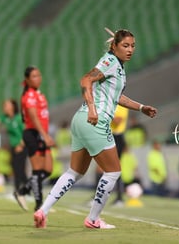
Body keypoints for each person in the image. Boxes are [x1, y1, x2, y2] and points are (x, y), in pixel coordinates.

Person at [33, 28, 157, 229]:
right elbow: (85, 80)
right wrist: (92, 108)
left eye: (133, 46)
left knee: (74, 172)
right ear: (114, 46)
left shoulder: (117, 68)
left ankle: (42, 211)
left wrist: (141, 107)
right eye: (125, 45)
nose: (130, 50)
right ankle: (93, 219)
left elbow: (116, 97)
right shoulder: (109, 62)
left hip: (81, 121)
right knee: (113, 172)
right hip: (94, 120)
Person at [16, 66, 55, 212]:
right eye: (34, 76)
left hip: (41, 133)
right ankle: (39, 205)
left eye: (39, 75)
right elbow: (33, 117)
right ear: (27, 79)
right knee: (37, 171)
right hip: (33, 134)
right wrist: (44, 135)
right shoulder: (29, 96)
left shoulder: (39, 94)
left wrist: (45, 134)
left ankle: (23, 191)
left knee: (49, 170)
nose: (38, 78)